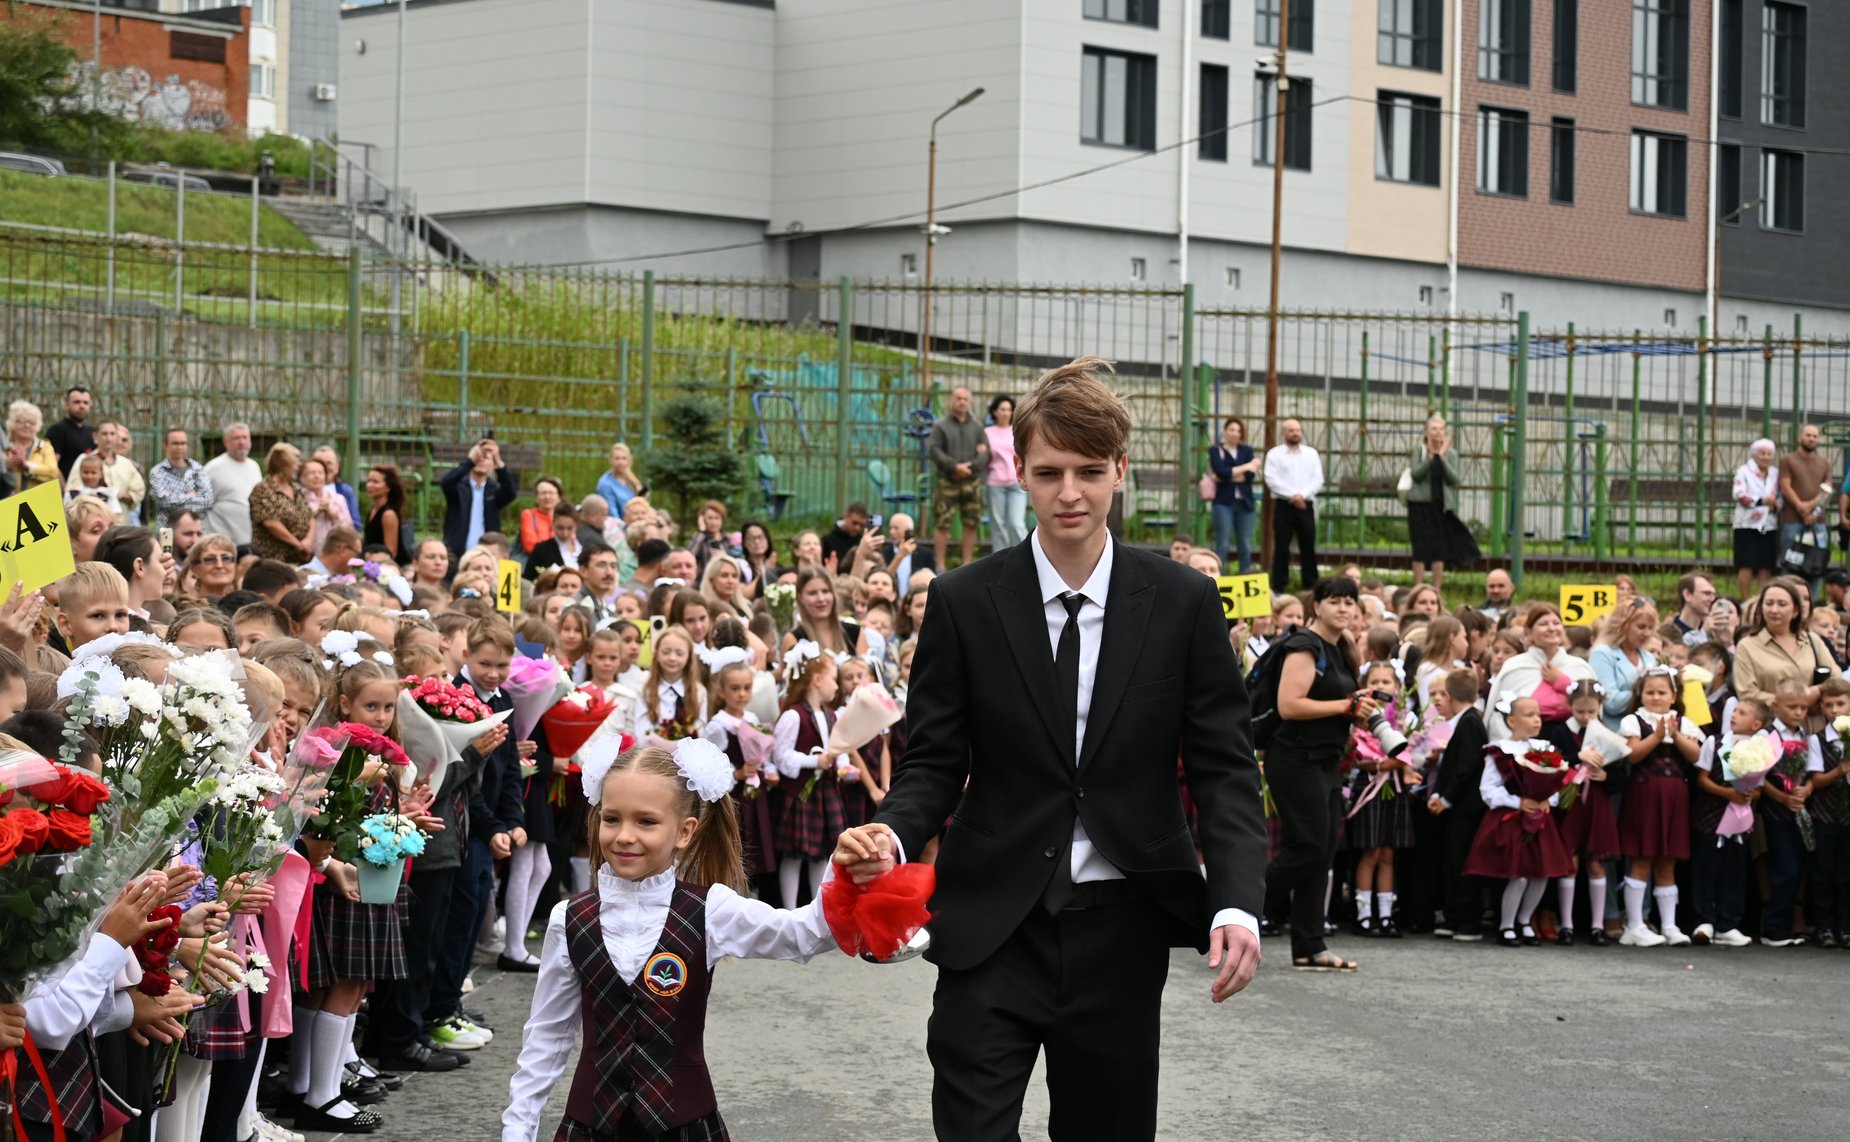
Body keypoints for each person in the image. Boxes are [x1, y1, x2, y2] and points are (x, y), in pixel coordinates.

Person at [833, 357, 1263, 1141]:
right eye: (1049, 471)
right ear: (1019, 474)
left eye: (1090, 471)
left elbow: (1225, 767)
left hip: (1123, 929)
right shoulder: (964, 601)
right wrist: (892, 835)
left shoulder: (1182, 603)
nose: (1070, 492)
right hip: (991, 925)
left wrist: (1235, 899)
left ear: (1120, 471)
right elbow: (933, 761)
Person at [500, 741, 838, 1142]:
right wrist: (518, 1129)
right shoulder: (568, 918)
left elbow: (805, 934)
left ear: (684, 831)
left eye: (646, 822)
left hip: (685, 1125)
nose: (624, 836)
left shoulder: (711, 909)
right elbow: (547, 1035)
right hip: (592, 1125)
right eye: (611, 819)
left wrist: (846, 870)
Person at [1266, 575, 1369, 971]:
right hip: (1294, 758)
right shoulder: (1304, 646)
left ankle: (1310, 947)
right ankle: (1228, 908)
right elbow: (1290, 705)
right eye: (1335, 601)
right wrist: (1346, 707)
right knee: (1306, 846)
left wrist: (1356, 707)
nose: (1343, 608)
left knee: (1322, 851)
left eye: (1349, 602)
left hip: (1325, 759)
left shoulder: (1341, 647)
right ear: (1317, 606)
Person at [1463, 694, 1573, 947]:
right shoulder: (1499, 750)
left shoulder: (1544, 749)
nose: (1536, 720)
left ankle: (1525, 920)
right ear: (1511, 721)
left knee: (1540, 874)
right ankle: (1507, 923)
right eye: (1529, 715)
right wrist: (1518, 802)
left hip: (1540, 820)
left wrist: (1548, 800)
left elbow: (1560, 784)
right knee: (1520, 874)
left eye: (1538, 715)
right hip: (1511, 820)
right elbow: (1488, 789)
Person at [1616, 667, 1703, 946]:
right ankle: (1634, 925)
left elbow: (1695, 755)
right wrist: (1656, 736)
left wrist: (1675, 735)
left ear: (1674, 695)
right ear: (1640, 694)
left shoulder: (1683, 723)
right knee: (1643, 857)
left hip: (1675, 793)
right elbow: (1632, 756)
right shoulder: (1634, 721)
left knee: (1668, 860)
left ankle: (1669, 925)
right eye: (1650, 692)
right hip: (1645, 792)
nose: (1655, 697)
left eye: (1662, 692)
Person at [1732, 578, 1840, 707]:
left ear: (1795, 610)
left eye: (1782, 604)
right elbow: (1747, 694)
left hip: (1813, 723)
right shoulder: (1747, 646)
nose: (1774, 610)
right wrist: (1793, 702)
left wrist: (1818, 691)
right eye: (1769, 603)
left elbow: (1837, 679)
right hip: (1770, 722)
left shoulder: (1812, 641)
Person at [1405, 415, 1479, 589]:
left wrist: (1442, 458)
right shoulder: (1420, 450)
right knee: (1420, 546)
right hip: (1420, 505)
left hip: (1441, 505)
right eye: (1434, 429)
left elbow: (1454, 479)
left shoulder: (1451, 453)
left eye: (1441, 429)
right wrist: (1431, 457)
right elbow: (1416, 474)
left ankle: (1436, 588)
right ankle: (1418, 586)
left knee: (1439, 547)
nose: (1438, 432)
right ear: (1427, 432)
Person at [928, 386, 987, 569]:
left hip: (972, 482)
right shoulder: (940, 426)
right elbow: (934, 450)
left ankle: (967, 565)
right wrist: (954, 467)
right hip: (948, 481)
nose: (962, 402)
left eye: (965, 399)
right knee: (942, 523)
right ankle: (940, 566)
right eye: (958, 398)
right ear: (951, 400)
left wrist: (971, 467)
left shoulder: (977, 427)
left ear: (970, 402)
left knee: (971, 523)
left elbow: (986, 451)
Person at [1263, 417, 1323, 593]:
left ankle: (1311, 586)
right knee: (1281, 546)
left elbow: (1318, 479)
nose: (1295, 433)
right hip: (1284, 505)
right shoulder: (1274, 454)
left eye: (1298, 430)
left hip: (1306, 505)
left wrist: (1302, 495)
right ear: (1283, 433)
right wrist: (1293, 495)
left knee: (1308, 545)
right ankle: (1279, 586)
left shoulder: (1311, 454)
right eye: (1291, 430)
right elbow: (1271, 479)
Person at [440, 437, 518, 557]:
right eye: (478, 457)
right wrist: (470, 462)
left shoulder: (494, 491)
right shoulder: (459, 488)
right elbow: (446, 482)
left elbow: (511, 492)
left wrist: (499, 463)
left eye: (486, 458)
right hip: (457, 553)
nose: (481, 460)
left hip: (487, 553)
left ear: (493, 465)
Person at [1779, 423, 1831, 582]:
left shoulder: (1825, 463)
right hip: (1792, 520)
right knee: (1790, 561)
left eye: (1815, 436)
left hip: (1818, 521)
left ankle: (1812, 602)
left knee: (1816, 562)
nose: (1811, 439)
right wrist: (1800, 507)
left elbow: (1827, 490)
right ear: (1800, 437)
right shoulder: (1788, 460)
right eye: (1808, 435)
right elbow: (1785, 486)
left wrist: (1811, 508)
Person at [247, 442, 314, 564]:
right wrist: (298, 545)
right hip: (274, 558)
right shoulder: (263, 489)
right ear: (282, 465)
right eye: (294, 463)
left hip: (300, 558)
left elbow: (310, 516)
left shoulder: (296, 488)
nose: (298, 466)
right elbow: (271, 522)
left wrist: (308, 541)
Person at [1207, 416, 1258, 573]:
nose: (1235, 433)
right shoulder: (1216, 450)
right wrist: (1246, 467)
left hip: (1245, 504)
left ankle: (1246, 577)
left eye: (1238, 431)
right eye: (1232, 430)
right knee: (1222, 544)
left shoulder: (1247, 450)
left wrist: (1228, 475)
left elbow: (1250, 476)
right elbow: (1220, 472)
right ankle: (1219, 579)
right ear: (1225, 431)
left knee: (1245, 544)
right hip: (1223, 503)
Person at [1732, 439, 1781, 598]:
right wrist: (1759, 501)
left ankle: (1762, 599)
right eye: (1762, 453)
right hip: (1747, 524)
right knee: (1746, 564)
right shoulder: (1744, 471)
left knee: (1766, 565)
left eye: (1769, 454)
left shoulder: (1775, 473)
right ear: (1754, 454)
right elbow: (1739, 494)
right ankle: (1746, 600)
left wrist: (1775, 504)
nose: (1766, 457)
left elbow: (1780, 495)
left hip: (1769, 524)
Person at [202, 422, 263, 545]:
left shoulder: (254, 466)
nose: (242, 442)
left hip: (249, 540)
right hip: (221, 541)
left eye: (245, 437)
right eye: (236, 438)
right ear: (226, 442)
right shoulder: (213, 468)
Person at [150, 427, 215, 530]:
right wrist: (190, 496)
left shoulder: (198, 469)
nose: (179, 447)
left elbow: (208, 501)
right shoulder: (158, 472)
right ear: (165, 446)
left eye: (183, 443)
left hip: (195, 530)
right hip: (168, 530)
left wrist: (176, 501)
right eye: (175, 443)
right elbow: (165, 502)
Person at [984, 394, 1027, 551]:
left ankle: (1025, 554)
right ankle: (1001, 560)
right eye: (1002, 409)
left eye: (1009, 409)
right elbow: (983, 457)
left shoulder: (1018, 431)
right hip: (995, 483)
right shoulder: (987, 432)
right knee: (998, 525)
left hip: (1017, 483)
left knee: (1016, 523)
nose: (1006, 413)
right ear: (995, 411)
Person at [91, 419, 145, 521]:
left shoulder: (126, 464)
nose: (108, 438)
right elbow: (73, 491)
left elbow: (138, 491)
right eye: (104, 434)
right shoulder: (86, 459)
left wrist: (122, 496)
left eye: (112, 434)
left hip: (121, 521)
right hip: (94, 519)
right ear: (95, 436)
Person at [300, 453, 352, 556]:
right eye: (312, 473)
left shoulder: (338, 499)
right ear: (303, 478)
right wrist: (314, 513)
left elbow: (348, 527)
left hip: (334, 552)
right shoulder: (299, 499)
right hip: (308, 552)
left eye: (320, 472)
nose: (316, 476)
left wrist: (331, 514)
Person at [5, 400, 61, 492]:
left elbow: (53, 472)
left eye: (32, 422)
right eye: (22, 421)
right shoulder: (4, 446)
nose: (27, 425)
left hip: (36, 501)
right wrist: (4, 465)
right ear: (12, 423)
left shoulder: (44, 446)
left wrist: (27, 466)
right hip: (6, 500)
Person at [362, 464, 409, 565]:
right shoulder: (372, 510)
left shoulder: (388, 514)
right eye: (369, 481)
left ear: (388, 487)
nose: (370, 485)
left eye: (375, 482)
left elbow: (391, 551)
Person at [45, 384, 93, 477]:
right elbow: (52, 465)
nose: (82, 406)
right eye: (77, 402)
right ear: (67, 404)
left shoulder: (92, 432)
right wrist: (65, 489)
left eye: (85, 402)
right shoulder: (57, 430)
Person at [312, 445, 362, 525]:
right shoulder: (302, 491)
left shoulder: (345, 491)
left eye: (329, 463)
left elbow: (355, 524)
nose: (325, 467)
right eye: (320, 463)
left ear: (337, 467)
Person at [595, 441, 647, 515]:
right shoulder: (605, 484)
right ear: (611, 461)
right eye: (617, 459)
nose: (621, 462)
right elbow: (612, 513)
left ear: (629, 460)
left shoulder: (631, 479)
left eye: (624, 458)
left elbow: (643, 503)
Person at [519, 477, 563, 557]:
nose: (547, 497)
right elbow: (530, 545)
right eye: (543, 493)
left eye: (551, 493)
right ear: (536, 498)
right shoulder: (528, 515)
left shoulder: (564, 516)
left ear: (559, 497)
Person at [1669, 573, 1717, 646]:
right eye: (1707, 593)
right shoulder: (1670, 632)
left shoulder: (1712, 631)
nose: (1712, 599)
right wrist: (1703, 634)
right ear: (1687, 595)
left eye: (1713, 594)